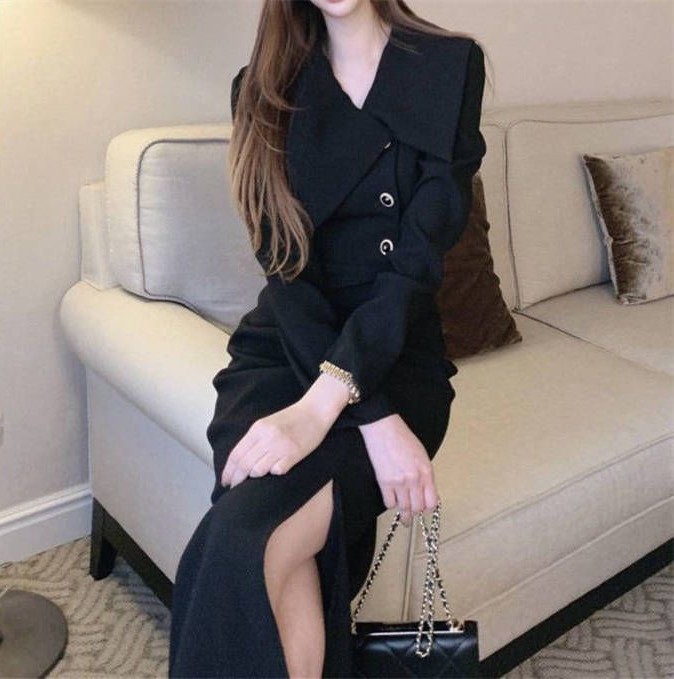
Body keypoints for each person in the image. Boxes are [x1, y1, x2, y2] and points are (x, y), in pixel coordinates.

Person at [169, 0, 487, 676]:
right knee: (254, 548)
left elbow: (416, 265)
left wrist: (345, 404)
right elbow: (285, 273)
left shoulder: (449, 65)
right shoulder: (259, 90)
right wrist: (345, 412)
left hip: (395, 355)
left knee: (242, 545)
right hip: (284, 350)